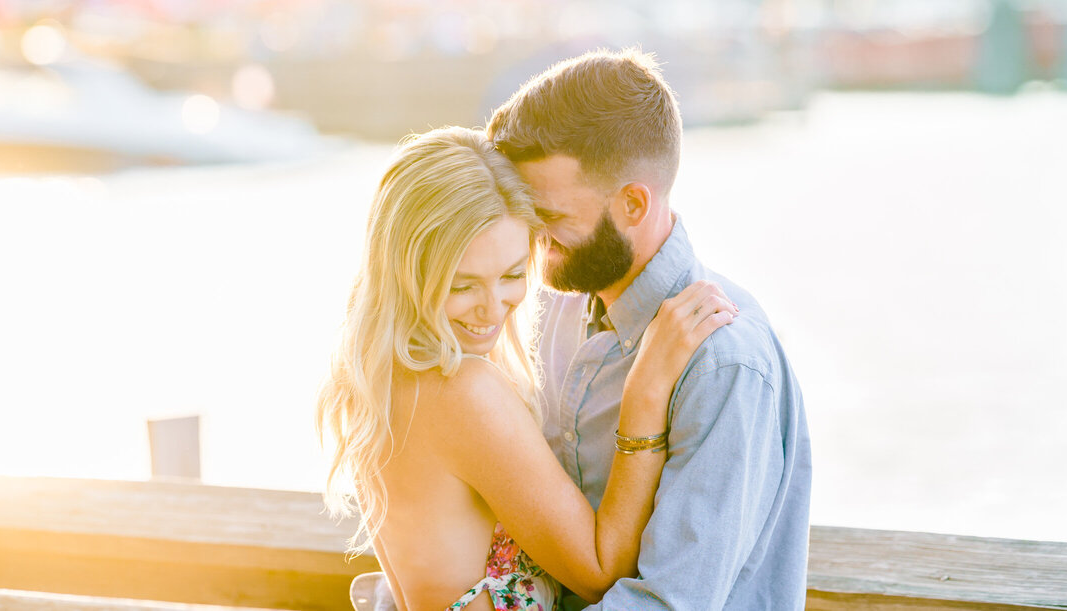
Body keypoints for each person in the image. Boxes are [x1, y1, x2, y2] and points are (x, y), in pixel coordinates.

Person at [316, 126, 736, 611]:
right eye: (462, 284)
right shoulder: (463, 392)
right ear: (408, 272)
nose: (493, 308)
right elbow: (601, 571)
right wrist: (647, 386)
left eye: (514, 275)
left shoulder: (380, 376)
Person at [486, 48, 812, 611]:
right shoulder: (554, 307)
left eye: (554, 218)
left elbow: (669, 603)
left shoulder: (723, 363)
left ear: (634, 204)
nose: (536, 238)